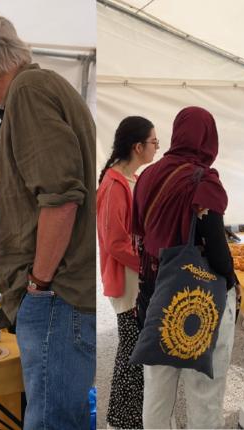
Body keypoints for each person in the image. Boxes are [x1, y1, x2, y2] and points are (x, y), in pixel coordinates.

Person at [0, 9, 95, 429]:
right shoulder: (45, 87)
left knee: (50, 422)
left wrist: (38, 283)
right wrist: (5, 258)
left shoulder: (28, 90)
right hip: (59, 294)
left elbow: (61, 201)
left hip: (56, 297)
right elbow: (44, 198)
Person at [132, 106, 237, 429]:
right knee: (204, 388)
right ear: (208, 138)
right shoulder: (202, 180)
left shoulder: (147, 174)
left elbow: (139, 232)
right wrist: (232, 282)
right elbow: (217, 249)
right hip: (198, 296)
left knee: (157, 390)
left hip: (154, 290)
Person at [97, 116, 159, 429]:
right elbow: (116, 243)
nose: (157, 147)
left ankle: (131, 420)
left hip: (135, 278)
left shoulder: (129, 178)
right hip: (128, 282)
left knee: (135, 353)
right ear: (137, 146)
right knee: (131, 356)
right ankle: (122, 422)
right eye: (153, 142)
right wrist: (149, 266)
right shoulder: (115, 184)